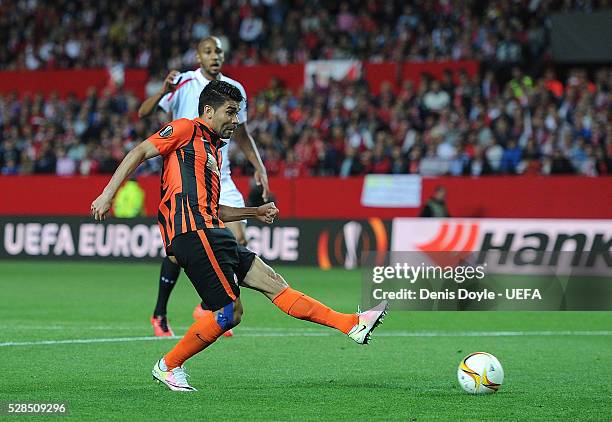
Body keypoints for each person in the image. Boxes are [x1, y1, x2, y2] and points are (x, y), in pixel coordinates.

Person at [91, 81, 388, 392]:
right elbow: (139, 151)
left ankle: (351, 325)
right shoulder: (183, 129)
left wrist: (254, 212)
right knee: (229, 312)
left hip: (212, 228)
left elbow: (213, 208)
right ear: (208, 111)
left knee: (274, 284)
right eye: (230, 113)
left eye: (237, 114)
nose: (235, 120)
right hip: (193, 232)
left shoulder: (214, 153)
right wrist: (107, 194)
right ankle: (168, 365)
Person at [138, 36, 270, 337]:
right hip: (185, 172)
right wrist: (163, 90)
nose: (214, 56)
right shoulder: (182, 82)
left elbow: (243, 134)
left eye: (218, 51)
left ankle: (213, 305)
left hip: (220, 173)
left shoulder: (234, 89)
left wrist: (259, 167)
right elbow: (143, 113)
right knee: (178, 250)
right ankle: (159, 314)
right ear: (198, 56)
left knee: (239, 239)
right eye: (208, 52)